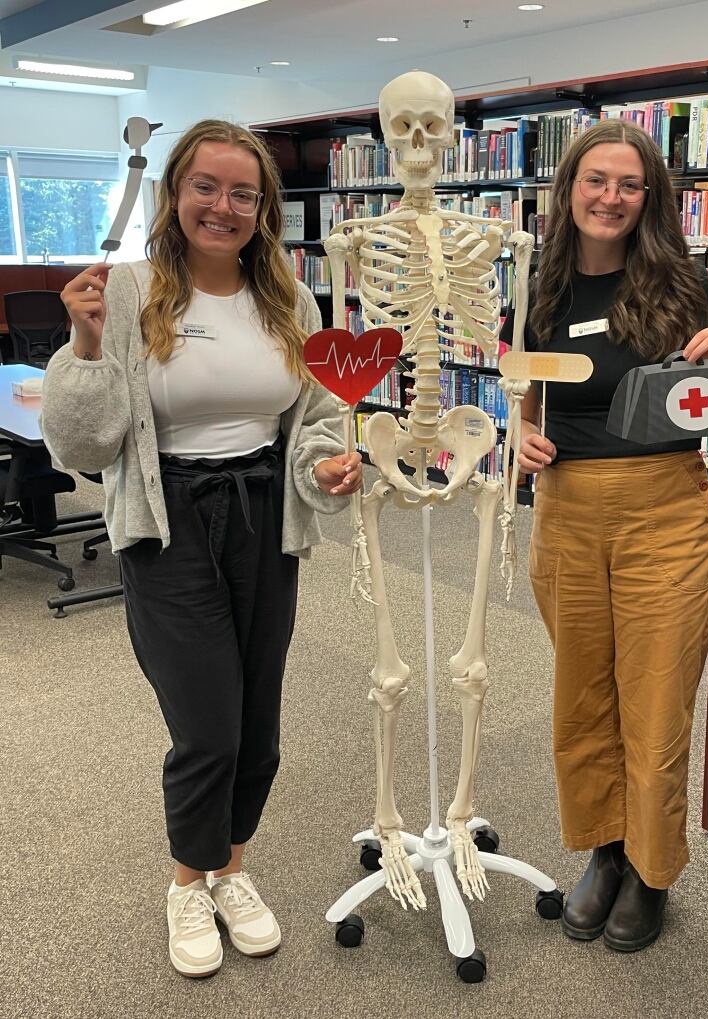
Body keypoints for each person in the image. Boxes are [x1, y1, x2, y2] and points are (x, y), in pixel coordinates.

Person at [41, 120, 362, 978]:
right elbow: (81, 448)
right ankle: (189, 881)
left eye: (243, 192)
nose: (223, 206)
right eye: (206, 187)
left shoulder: (290, 297)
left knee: (258, 729)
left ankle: (232, 871)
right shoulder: (124, 291)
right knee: (208, 726)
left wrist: (326, 466)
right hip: (170, 518)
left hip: (265, 517)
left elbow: (316, 420)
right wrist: (80, 347)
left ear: (266, 208)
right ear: (174, 193)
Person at [501, 119, 708, 952]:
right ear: (570, 187)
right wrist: (521, 439)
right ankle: (604, 851)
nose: (611, 197)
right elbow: (528, 401)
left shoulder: (684, 285)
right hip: (568, 510)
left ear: (651, 197)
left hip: (665, 511)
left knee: (656, 697)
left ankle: (651, 868)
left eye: (629, 184)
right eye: (596, 180)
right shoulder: (539, 284)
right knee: (582, 696)